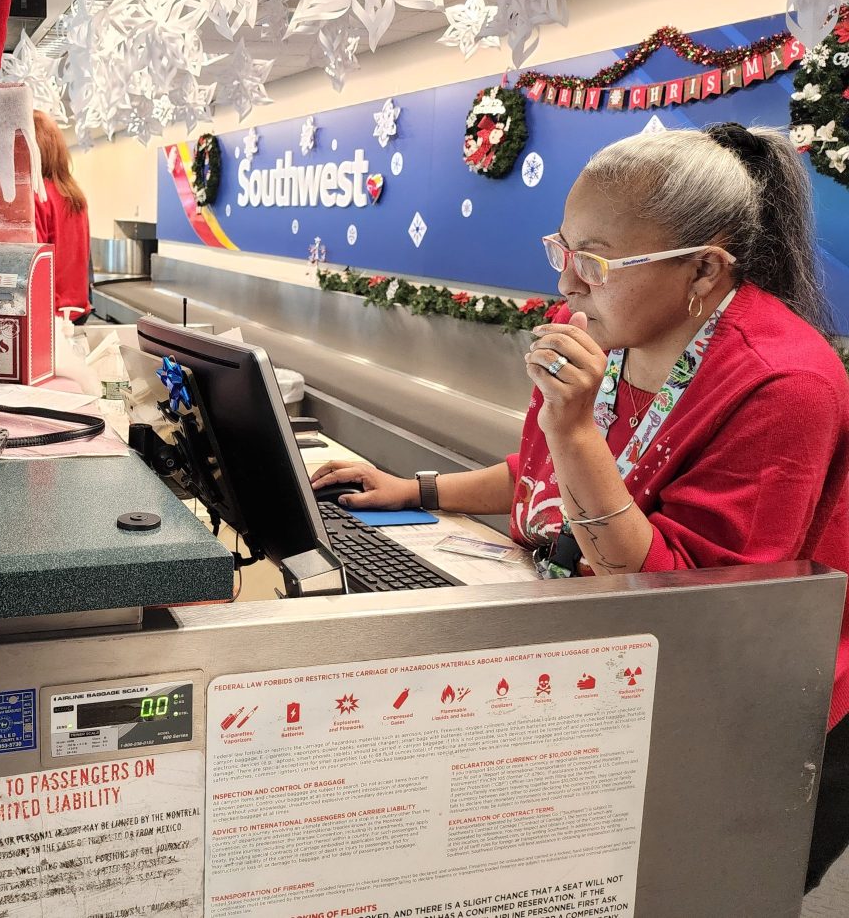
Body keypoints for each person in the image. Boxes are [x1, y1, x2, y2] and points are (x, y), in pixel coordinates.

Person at [310, 123, 849, 889]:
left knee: (696, 888)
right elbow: (546, 473)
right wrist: (418, 489)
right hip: (606, 660)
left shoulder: (784, 384)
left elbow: (686, 601)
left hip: (747, 702)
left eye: (594, 262)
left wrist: (574, 431)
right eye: (561, 250)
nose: (567, 286)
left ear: (703, 268)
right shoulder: (597, 326)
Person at [32, 109, 93, 324]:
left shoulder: (38, 196)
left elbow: (34, 267)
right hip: (78, 310)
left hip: (52, 315)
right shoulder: (74, 195)